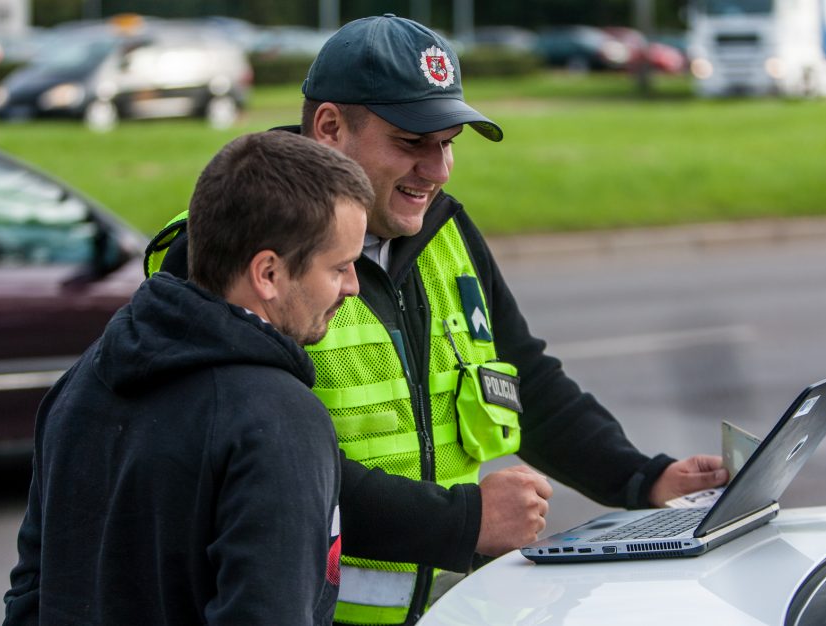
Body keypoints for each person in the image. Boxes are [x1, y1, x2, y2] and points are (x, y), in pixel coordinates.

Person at [145, 15, 729, 626]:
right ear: (329, 129)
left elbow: (522, 379)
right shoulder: (237, 252)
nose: (439, 168)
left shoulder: (444, 231)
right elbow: (261, 465)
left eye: (448, 142)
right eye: (411, 142)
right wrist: (465, 520)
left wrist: (644, 477)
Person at [2, 131, 374, 625]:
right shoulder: (279, 421)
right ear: (268, 273)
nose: (352, 286)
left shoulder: (83, 380)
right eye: (341, 267)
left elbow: (32, 590)